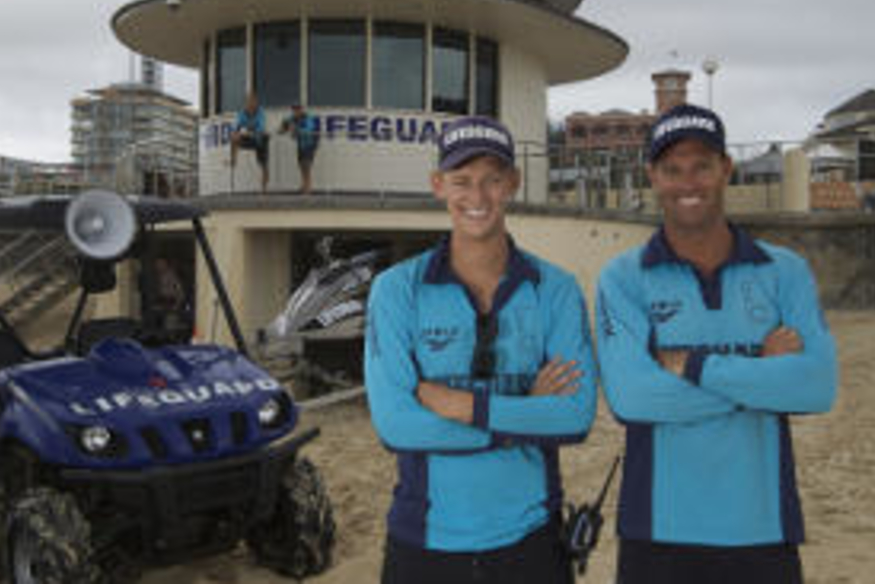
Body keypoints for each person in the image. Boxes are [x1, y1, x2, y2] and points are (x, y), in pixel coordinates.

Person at [595, 104, 838, 584]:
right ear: (652, 177)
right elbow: (632, 398)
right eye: (672, 170)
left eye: (702, 166)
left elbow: (816, 386)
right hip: (657, 531)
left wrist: (696, 366)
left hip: (762, 529)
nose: (688, 183)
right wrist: (762, 375)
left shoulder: (784, 270)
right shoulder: (624, 277)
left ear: (726, 169)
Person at [364, 116, 597, 584]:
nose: (478, 196)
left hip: (532, 542)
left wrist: (464, 406)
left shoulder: (555, 289)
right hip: (424, 542)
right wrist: (523, 414)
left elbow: (574, 418)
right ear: (438, 185)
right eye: (462, 180)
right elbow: (396, 426)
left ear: (513, 183)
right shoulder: (396, 290)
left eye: (492, 179)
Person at [230, 92, 270, 192]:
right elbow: (236, 126)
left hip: (259, 139)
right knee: (234, 138)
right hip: (248, 137)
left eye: (253, 102)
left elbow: (260, 128)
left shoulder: (260, 112)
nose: (251, 105)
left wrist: (248, 132)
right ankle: (233, 160)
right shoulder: (242, 113)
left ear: (256, 103)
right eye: (249, 103)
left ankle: (264, 187)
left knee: (263, 163)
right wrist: (236, 133)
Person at [280, 104, 320, 194]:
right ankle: (303, 185)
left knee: (307, 165)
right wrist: (283, 127)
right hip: (301, 144)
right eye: (294, 110)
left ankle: (308, 187)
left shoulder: (307, 118)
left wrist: (296, 129)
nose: (295, 112)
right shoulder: (293, 118)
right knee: (301, 165)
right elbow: (285, 125)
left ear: (301, 110)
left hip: (310, 143)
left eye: (297, 110)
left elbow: (309, 130)